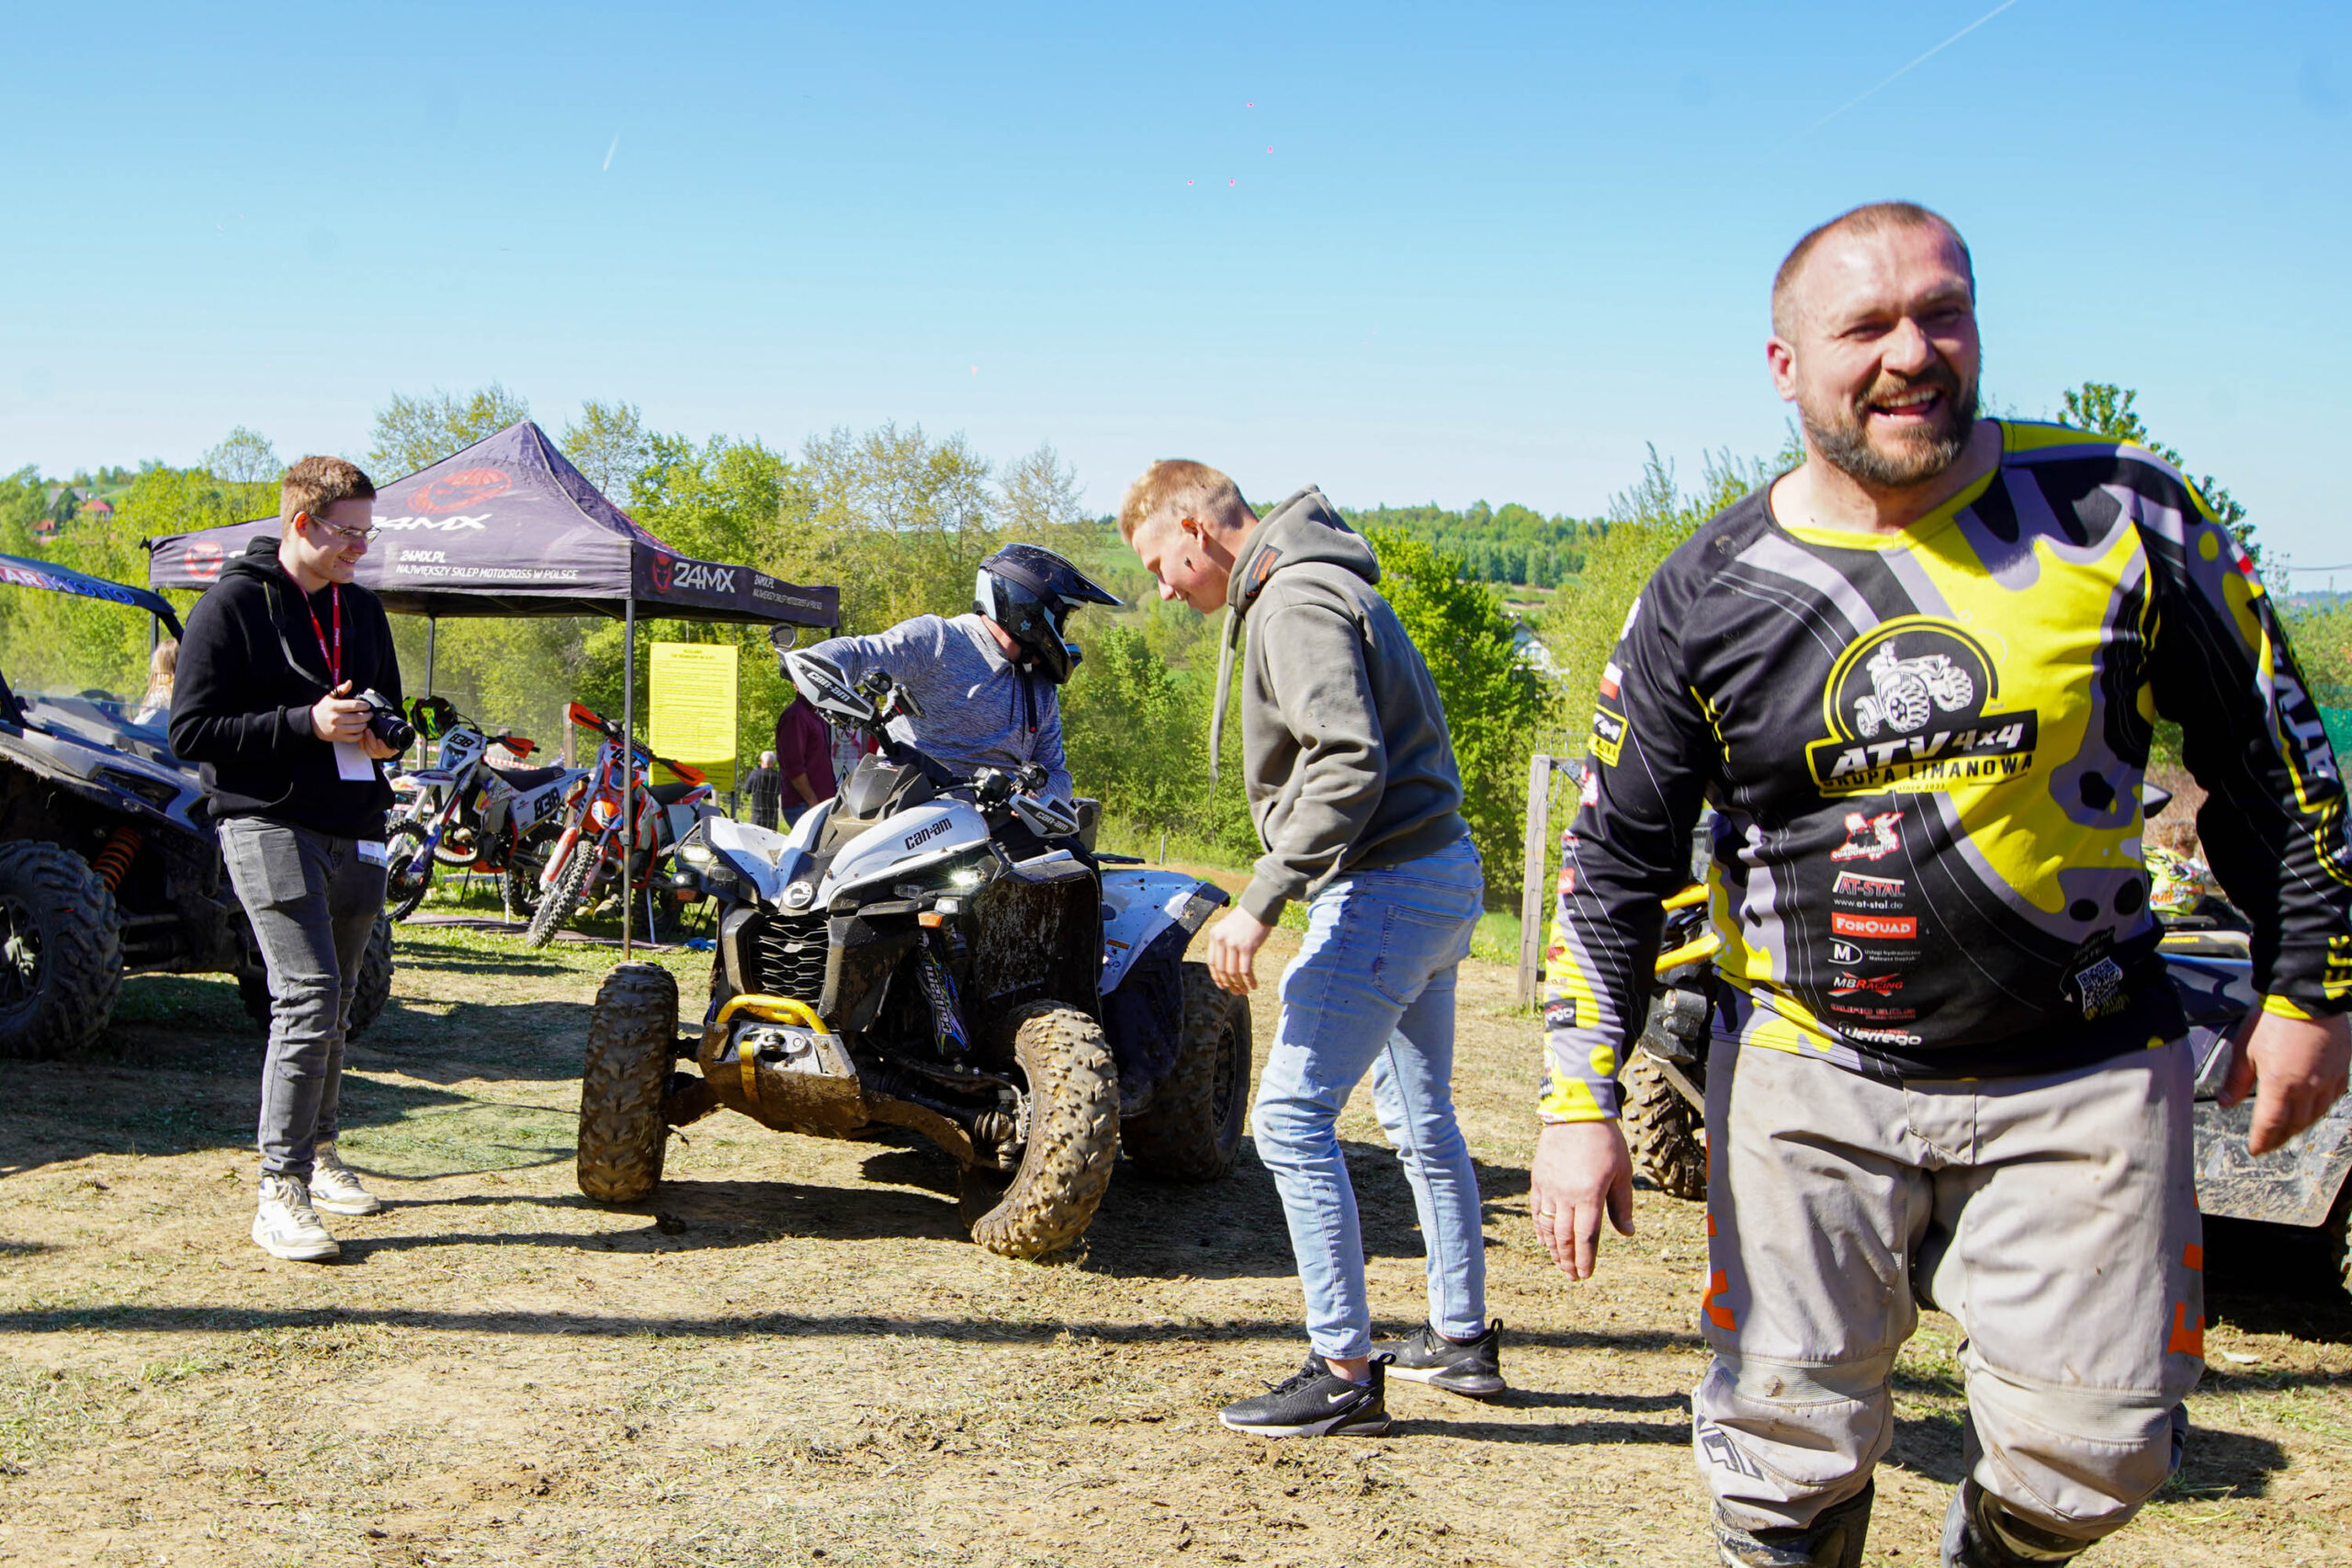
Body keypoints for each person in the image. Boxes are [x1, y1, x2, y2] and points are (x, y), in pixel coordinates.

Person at [1531, 201, 2351, 1568]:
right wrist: (1578, 1100)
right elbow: (1613, 857)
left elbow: (2274, 757)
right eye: (1865, 326)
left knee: (2098, 1453)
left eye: (1943, 314)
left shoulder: (2120, 512)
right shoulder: (1706, 589)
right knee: (1777, 1459)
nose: (1913, 352)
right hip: (1805, 1066)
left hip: (2082, 1060)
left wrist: (2310, 988)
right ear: (1786, 365)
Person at [1121, 461, 1499, 1439]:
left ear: (1196, 530)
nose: (1165, 590)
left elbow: (1346, 761)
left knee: (1288, 1120)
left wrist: (1262, 898)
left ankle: (1341, 1371)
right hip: (1439, 871)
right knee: (1421, 1117)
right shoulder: (1321, 581)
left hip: (1385, 883)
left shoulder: (1291, 599)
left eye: (1161, 566)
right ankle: (1458, 1336)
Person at [170, 457, 406, 1264]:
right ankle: (280, 1189)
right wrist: (304, 722)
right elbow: (191, 732)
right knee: (307, 993)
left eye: (369, 533)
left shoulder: (362, 609)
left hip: (356, 822)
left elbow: (390, 704)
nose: (361, 548)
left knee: (336, 1000)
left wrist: (385, 733)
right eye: (349, 533)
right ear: (301, 524)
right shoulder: (230, 606)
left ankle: (323, 1150)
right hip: (267, 822)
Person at [788, 543, 1119, 852]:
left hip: (991, 829)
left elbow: (1057, 773)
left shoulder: (1041, 685)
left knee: (1076, 865)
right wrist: (820, 664)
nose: (1062, 633)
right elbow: (860, 652)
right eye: (1062, 619)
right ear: (1030, 607)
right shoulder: (939, 639)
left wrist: (1032, 793)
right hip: (904, 813)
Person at [773, 693, 834, 821]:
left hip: (820, 803)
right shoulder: (795, 715)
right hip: (804, 805)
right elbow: (794, 766)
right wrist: (812, 800)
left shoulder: (816, 714)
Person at [742, 749, 784, 829]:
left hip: (757, 813)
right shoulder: (779, 776)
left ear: (762, 761)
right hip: (772, 813)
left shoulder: (755, 774)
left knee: (755, 835)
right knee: (771, 835)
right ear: (773, 763)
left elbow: (747, 790)